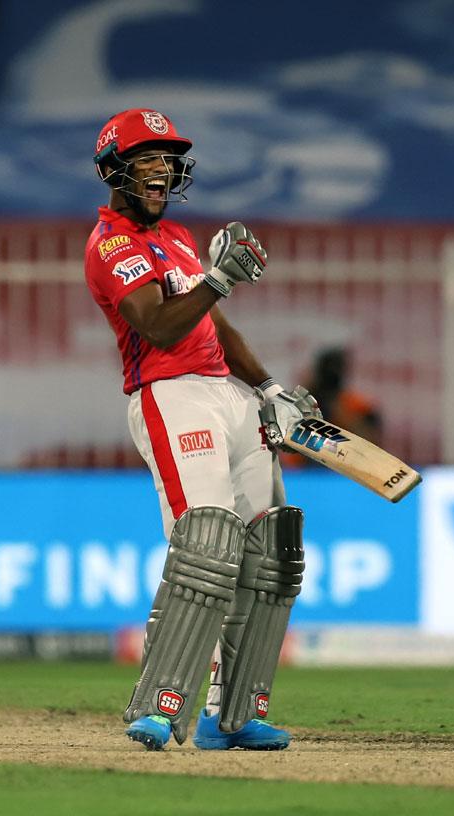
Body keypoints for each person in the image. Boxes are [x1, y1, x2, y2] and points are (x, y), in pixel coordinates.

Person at [84, 108, 323, 751]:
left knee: (267, 550)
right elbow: (159, 326)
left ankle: (235, 714)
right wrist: (218, 280)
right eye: (146, 156)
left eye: (168, 157)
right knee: (207, 545)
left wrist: (267, 387)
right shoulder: (111, 245)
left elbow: (209, 327)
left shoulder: (181, 238)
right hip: (170, 395)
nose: (161, 167)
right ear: (113, 169)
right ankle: (162, 707)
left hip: (227, 393)